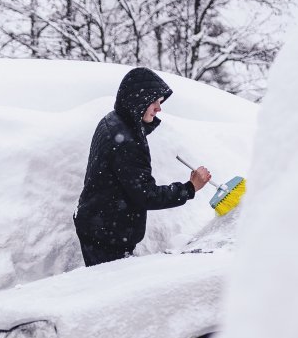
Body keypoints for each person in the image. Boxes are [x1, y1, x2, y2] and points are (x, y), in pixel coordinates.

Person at [73, 67, 211, 267]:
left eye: (160, 102)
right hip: (107, 235)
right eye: (154, 102)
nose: (159, 108)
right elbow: (146, 195)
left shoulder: (113, 120)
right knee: (112, 293)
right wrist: (190, 188)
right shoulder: (127, 142)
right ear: (137, 101)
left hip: (97, 225)